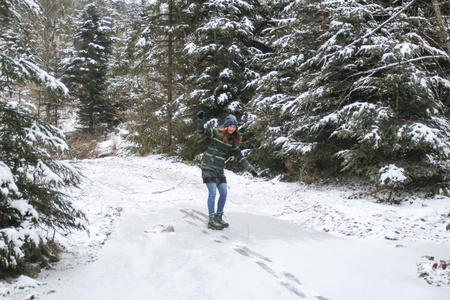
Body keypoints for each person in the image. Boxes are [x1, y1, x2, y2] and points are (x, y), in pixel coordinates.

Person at [197, 110, 257, 230]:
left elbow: (240, 156)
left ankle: (219, 216)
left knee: (224, 193)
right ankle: (212, 219)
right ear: (226, 126)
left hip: (219, 169)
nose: (232, 128)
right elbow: (201, 131)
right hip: (208, 166)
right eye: (230, 126)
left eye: (234, 127)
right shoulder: (216, 133)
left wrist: (250, 168)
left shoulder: (232, 141)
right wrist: (200, 120)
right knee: (213, 192)